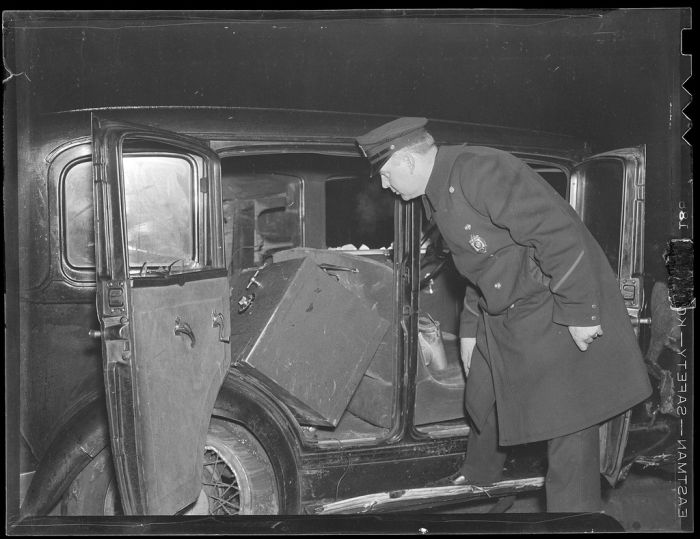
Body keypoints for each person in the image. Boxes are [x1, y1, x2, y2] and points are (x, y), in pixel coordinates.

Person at [355, 117, 652, 512]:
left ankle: (574, 518)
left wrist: (582, 313)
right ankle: (483, 475)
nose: (383, 185)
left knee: (568, 427)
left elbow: (559, 234)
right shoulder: (436, 194)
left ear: (408, 160)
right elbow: (481, 269)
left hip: (553, 307)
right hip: (507, 310)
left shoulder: (481, 170)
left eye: (386, 173)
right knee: (482, 392)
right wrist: (470, 331)